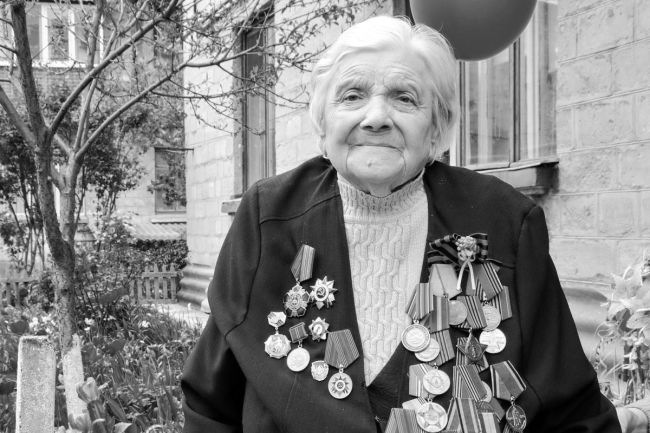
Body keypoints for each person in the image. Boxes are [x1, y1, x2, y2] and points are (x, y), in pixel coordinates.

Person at [181, 15, 643, 433]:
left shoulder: (504, 220)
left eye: (404, 98)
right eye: (352, 96)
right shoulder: (268, 216)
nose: (376, 118)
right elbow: (210, 404)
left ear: (437, 128)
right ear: (322, 122)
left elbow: (570, 410)